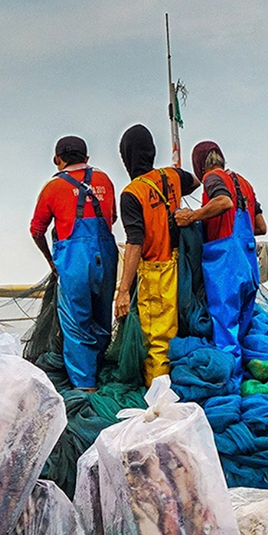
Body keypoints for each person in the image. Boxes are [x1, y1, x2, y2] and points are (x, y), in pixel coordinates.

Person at [27, 136, 117, 390]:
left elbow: (36, 230)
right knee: (102, 319)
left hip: (73, 261)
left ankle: (85, 388)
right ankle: (99, 376)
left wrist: (51, 260)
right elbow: (113, 217)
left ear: (57, 160)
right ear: (86, 158)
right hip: (106, 256)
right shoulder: (104, 180)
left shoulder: (52, 187)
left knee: (77, 326)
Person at [113, 124, 197, 384]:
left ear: (127, 157)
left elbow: (135, 242)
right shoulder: (171, 176)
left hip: (155, 272)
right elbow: (195, 181)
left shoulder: (131, 193)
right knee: (177, 332)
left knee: (157, 343)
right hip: (179, 266)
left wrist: (124, 290)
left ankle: (159, 405)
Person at [176, 140, 266, 357]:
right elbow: (261, 227)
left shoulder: (211, 178)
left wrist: (193, 217)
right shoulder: (244, 183)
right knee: (240, 331)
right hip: (249, 263)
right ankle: (241, 381)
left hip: (225, 265)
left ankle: (229, 386)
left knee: (225, 333)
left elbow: (224, 202)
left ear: (199, 165)